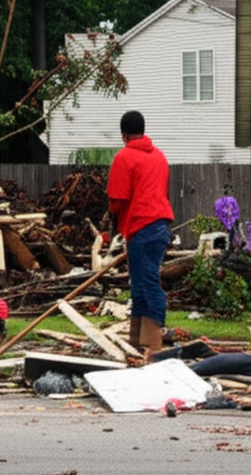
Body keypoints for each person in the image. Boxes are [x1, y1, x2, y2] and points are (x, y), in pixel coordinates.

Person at [107, 111, 174, 357]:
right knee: (140, 284)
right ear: (142, 130)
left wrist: (114, 220)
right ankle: (137, 341)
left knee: (147, 283)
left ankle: (154, 346)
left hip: (141, 226)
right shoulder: (159, 156)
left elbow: (117, 199)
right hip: (160, 225)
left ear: (123, 134)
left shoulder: (124, 157)